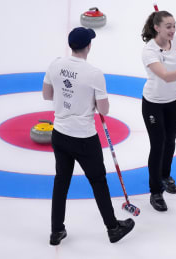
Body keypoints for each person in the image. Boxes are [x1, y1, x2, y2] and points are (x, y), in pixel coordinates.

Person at [42, 27, 135, 245]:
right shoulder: (94, 73)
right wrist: (90, 100)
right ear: (88, 46)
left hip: (60, 133)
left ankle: (56, 231)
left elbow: (47, 95)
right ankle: (113, 228)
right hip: (84, 137)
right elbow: (104, 110)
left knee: (61, 181)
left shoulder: (55, 64)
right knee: (98, 181)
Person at [141, 10, 176, 212]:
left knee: (170, 140)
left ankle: (165, 175)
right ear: (157, 28)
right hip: (154, 103)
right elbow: (164, 75)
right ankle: (155, 191)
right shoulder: (149, 51)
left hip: (174, 100)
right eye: (168, 26)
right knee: (158, 145)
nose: (173, 30)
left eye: (174, 26)